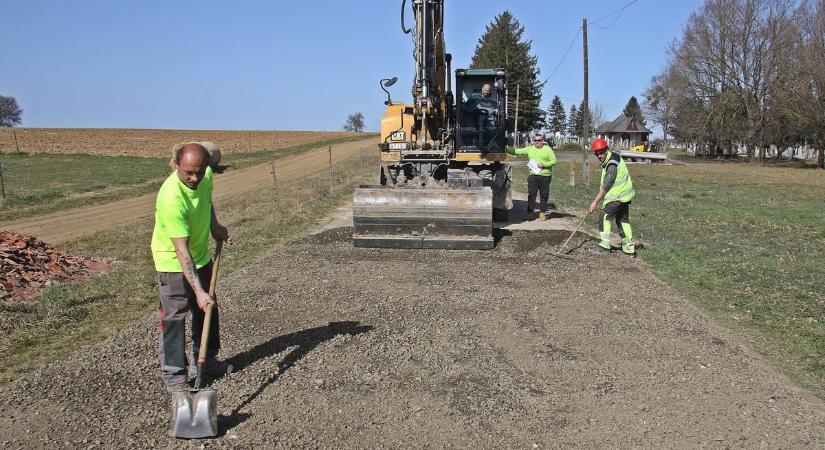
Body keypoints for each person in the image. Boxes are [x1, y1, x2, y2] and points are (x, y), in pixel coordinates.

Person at [151, 142, 234, 393]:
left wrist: (214, 226)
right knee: (174, 317)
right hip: (173, 261)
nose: (194, 178)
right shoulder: (171, 198)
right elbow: (180, 251)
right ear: (176, 165)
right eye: (188, 172)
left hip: (200, 255)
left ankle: (207, 360)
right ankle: (175, 375)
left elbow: (206, 198)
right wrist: (197, 291)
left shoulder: (204, 174)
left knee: (208, 308)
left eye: (198, 171)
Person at [587, 138, 636, 256]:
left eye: (601, 152)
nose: (599, 155)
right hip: (625, 196)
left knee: (604, 216)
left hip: (618, 196)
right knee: (622, 220)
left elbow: (607, 184)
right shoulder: (613, 157)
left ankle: (604, 245)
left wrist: (595, 201)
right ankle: (629, 248)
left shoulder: (612, 164)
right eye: (596, 153)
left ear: (606, 150)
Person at [507, 133, 556, 220]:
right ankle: (530, 214)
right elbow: (517, 151)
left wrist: (544, 165)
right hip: (533, 176)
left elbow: (553, 161)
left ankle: (542, 213)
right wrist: (505, 149)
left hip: (545, 176)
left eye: (539, 140)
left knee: (544, 195)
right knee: (532, 194)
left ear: (542, 140)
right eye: (535, 140)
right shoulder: (530, 149)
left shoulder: (548, 149)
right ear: (533, 141)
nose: (537, 142)